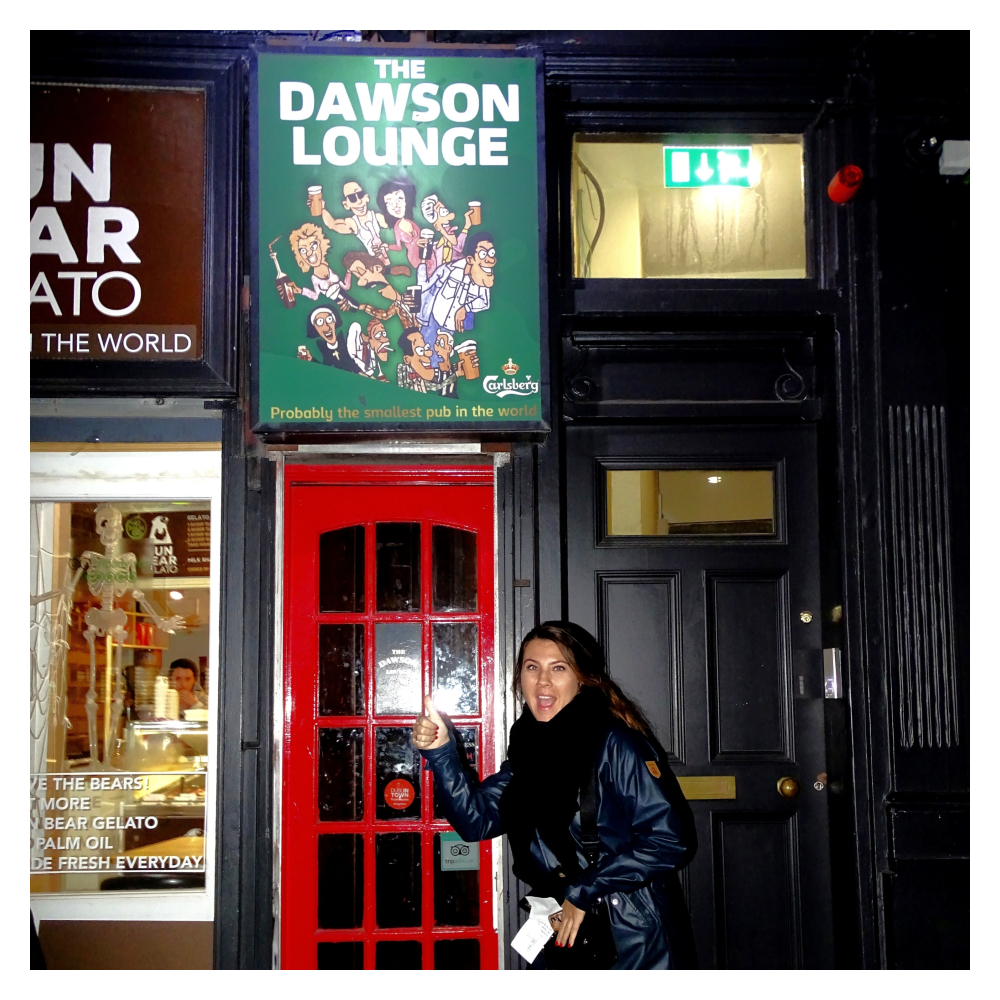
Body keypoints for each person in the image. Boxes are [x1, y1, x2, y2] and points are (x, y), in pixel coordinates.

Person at [412, 621, 697, 969]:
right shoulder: (528, 752)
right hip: (563, 923)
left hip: (631, 933)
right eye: (532, 668)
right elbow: (477, 821)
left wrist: (584, 890)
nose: (543, 681)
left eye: (558, 668)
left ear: (583, 678)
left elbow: (669, 840)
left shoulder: (616, 745)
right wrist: (442, 753)